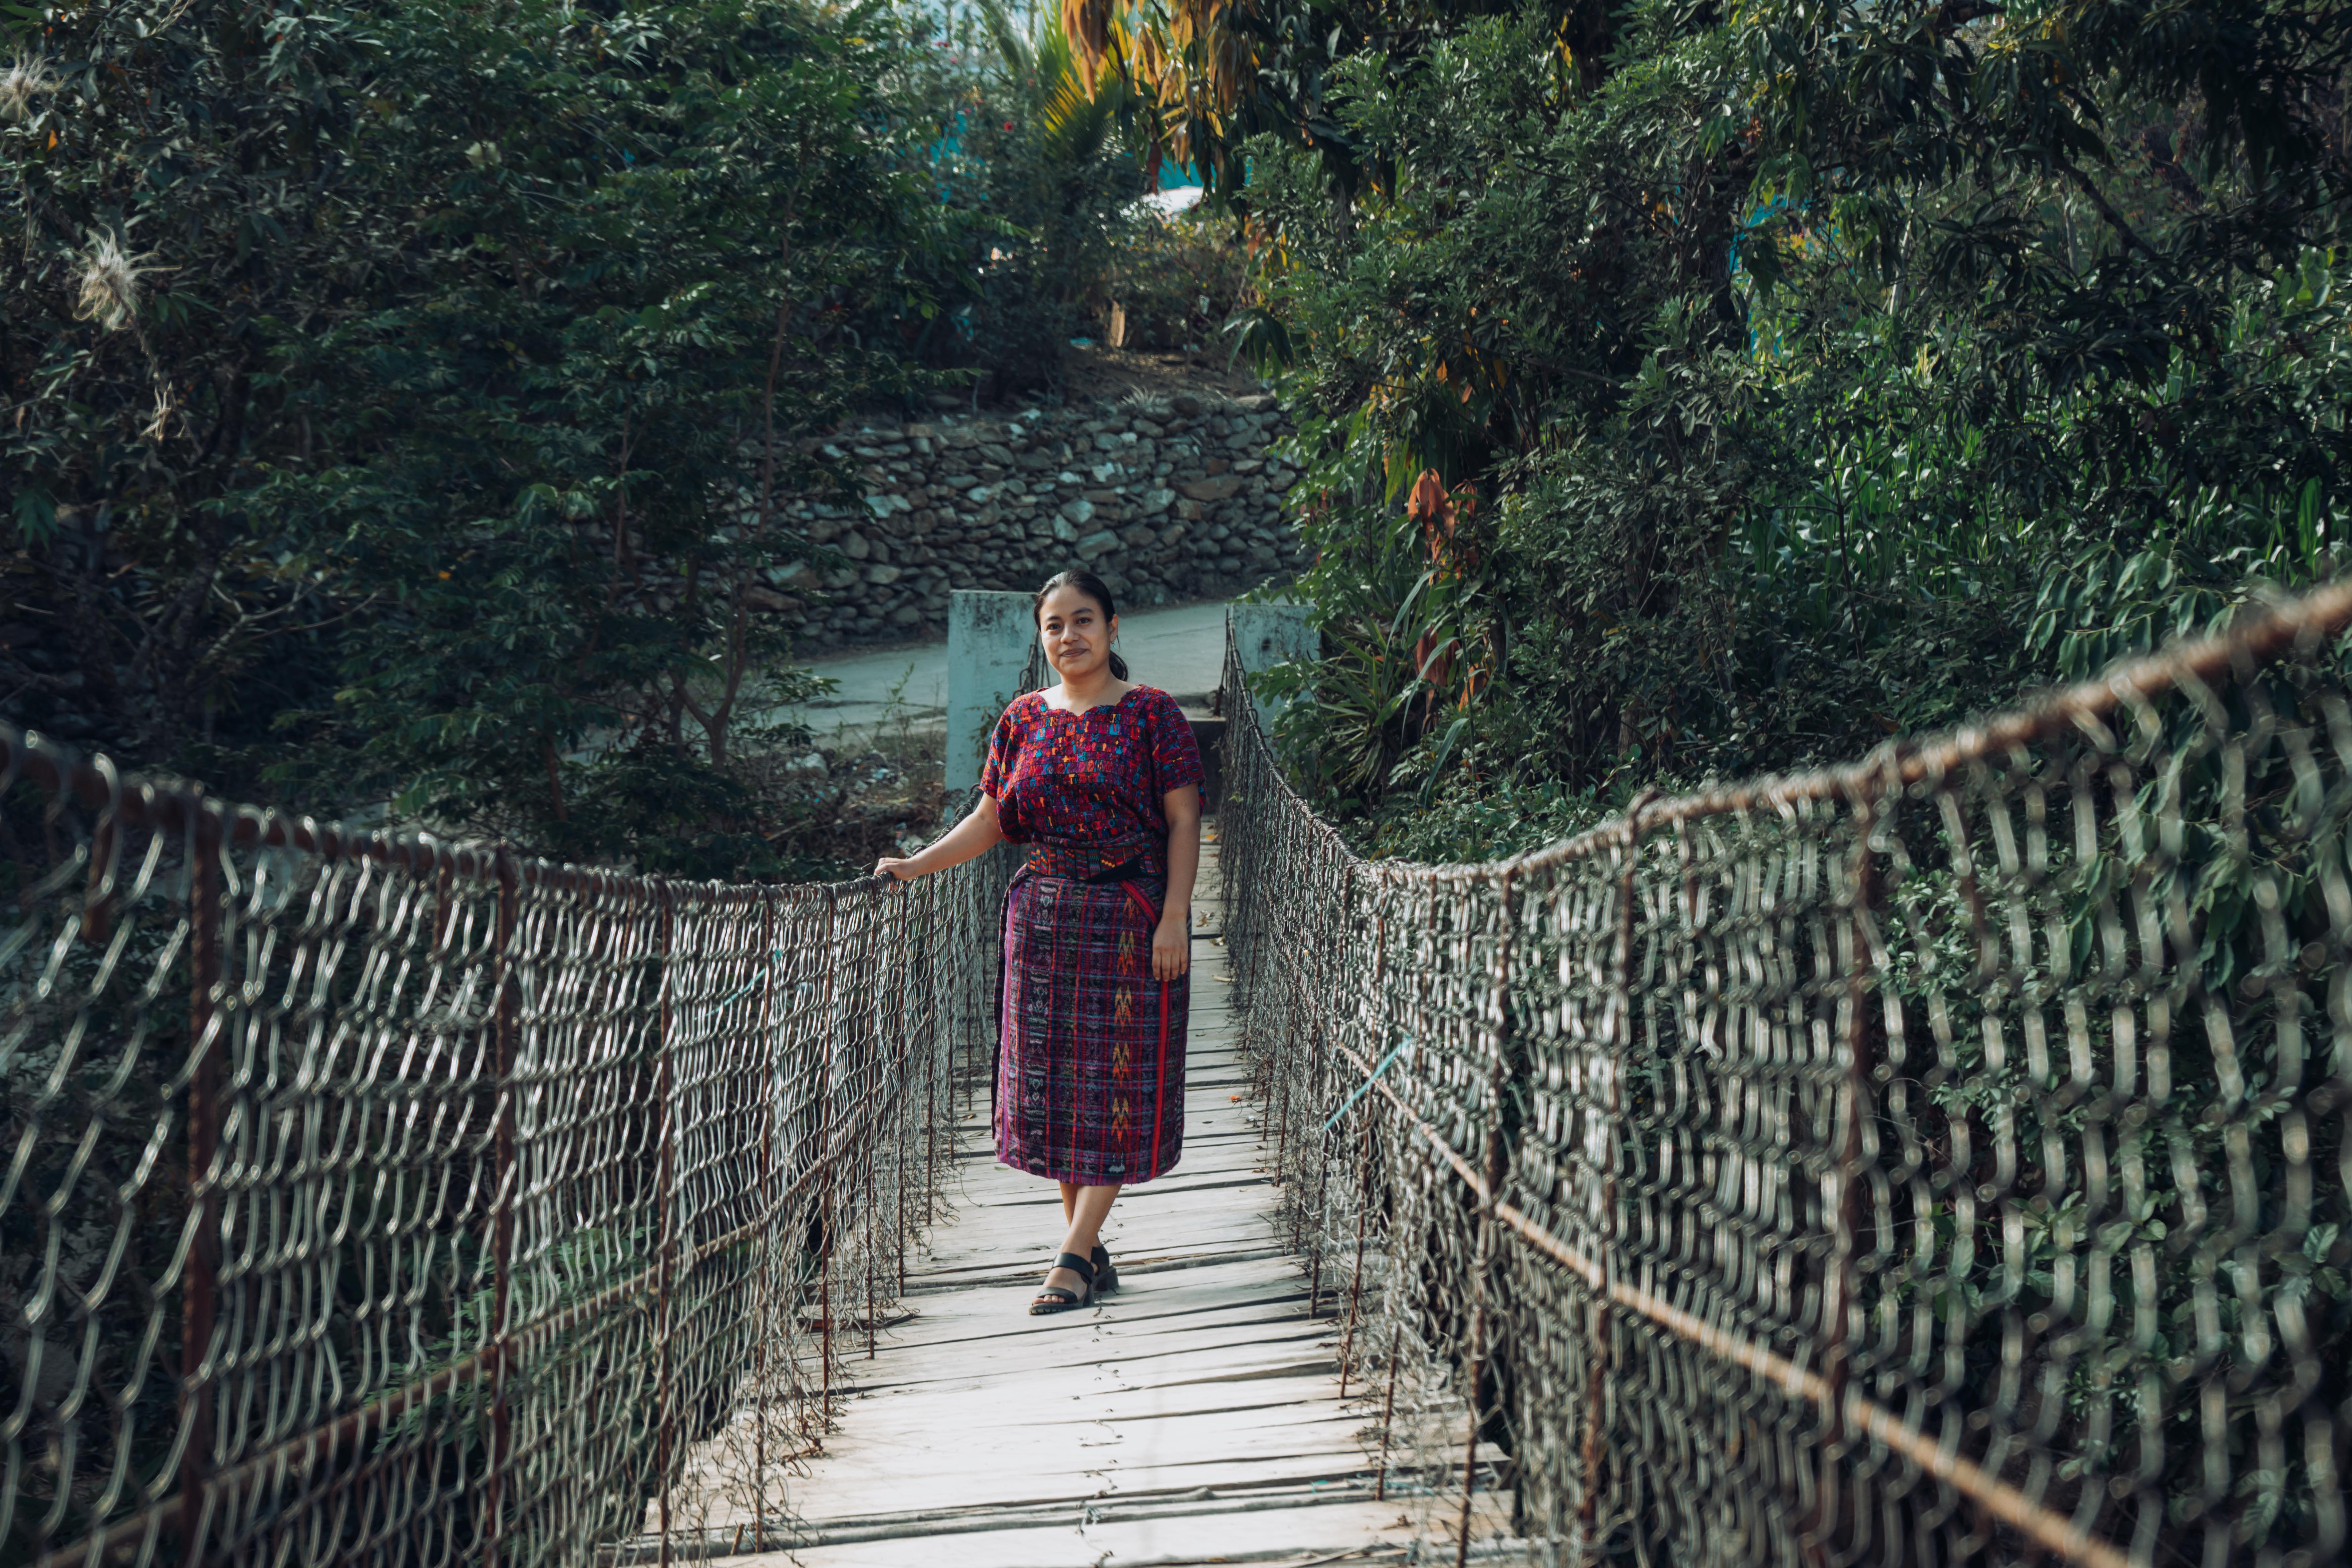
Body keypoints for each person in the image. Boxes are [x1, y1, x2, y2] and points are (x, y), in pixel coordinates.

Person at [875, 569, 1204, 1317]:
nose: (1069, 636)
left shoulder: (1152, 713)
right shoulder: (1023, 718)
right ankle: (1087, 1249)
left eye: (1083, 620)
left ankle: (1070, 1258)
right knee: (1055, 1087)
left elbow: (1185, 819)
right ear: (1041, 637)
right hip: (1043, 922)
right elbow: (993, 820)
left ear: (1113, 627)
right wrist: (916, 865)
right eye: (1054, 625)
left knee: (1117, 1083)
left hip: (1129, 919)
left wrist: (1175, 915)